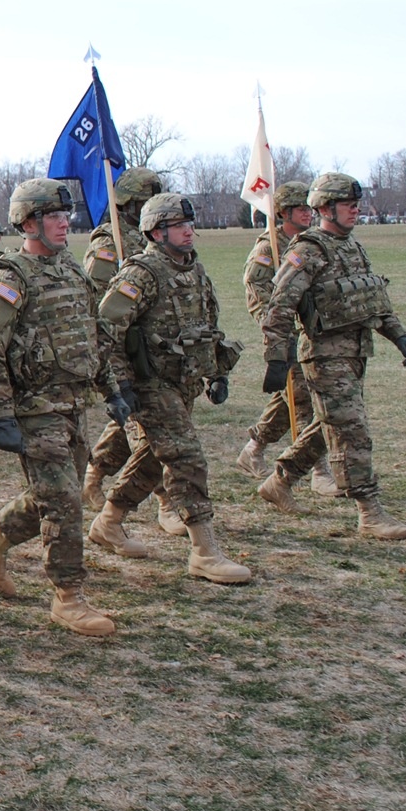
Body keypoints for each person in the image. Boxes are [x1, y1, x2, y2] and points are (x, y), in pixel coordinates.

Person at [0, 179, 128, 636]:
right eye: (53, 216)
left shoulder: (71, 271)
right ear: (29, 222)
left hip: (74, 403)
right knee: (65, 500)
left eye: (65, 215)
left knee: (53, 495)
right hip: (35, 409)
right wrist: (1, 414)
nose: (64, 223)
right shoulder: (12, 277)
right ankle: (68, 596)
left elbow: (89, 338)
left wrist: (110, 390)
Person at [91, 193, 251, 582]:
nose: (189, 231)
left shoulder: (194, 270)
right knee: (186, 459)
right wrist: (120, 385)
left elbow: (206, 325)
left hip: (184, 382)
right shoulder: (140, 274)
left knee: (150, 460)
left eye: (189, 224)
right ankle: (205, 551)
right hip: (150, 384)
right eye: (180, 226)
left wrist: (217, 373)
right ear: (156, 231)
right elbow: (106, 331)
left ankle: (108, 522)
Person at [255, 173, 406, 539]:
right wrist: (277, 359)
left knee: (327, 427)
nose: (356, 210)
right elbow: (279, 306)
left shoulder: (353, 247)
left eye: (357, 204)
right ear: (325, 208)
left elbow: (372, 298)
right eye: (349, 204)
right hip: (325, 357)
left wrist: (399, 335)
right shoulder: (308, 250)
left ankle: (279, 481)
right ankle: (369, 511)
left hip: (356, 354)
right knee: (352, 432)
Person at [234, 182, 336, 494]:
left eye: (310, 208)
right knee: (304, 399)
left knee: (289, 397)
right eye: (301, 209)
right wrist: (277, 328)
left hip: (312, 332)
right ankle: (320, 471)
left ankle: (253, 448)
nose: (308, 214)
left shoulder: (309, 243)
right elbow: (255, 290)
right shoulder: (271, 247)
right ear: (283, 213)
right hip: (287, 334)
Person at [79, 167, 166, 511]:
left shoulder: (156, 239)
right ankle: (166, 499)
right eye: (146, 202)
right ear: (128, 205)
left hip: (154, 351)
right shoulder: (108, 243)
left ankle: (95, 473)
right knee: (150, 434)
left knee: (135, 420)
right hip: (122, 351)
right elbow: (97, 299)